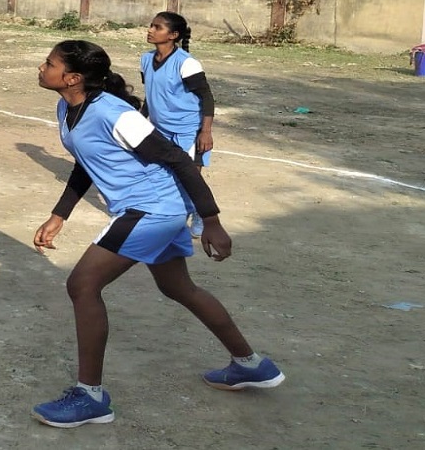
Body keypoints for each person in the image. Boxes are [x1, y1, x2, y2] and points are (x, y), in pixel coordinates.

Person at [30, 40, 283, 428]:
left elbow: (177, 159)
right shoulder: (67, 107)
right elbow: (86, 161)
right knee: (178, 287)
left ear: (73, 77)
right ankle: (251, 365)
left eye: (49, 63)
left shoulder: (114, 114)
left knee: (82, 285)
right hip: (151, 208)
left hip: (152, 209)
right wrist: (59, 214)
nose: (41, 67)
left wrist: (211, 220)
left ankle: (90, 397)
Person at [141, 12, 214, 237]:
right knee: (161, 176)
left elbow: (207, 98)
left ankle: (200, 213)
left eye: (158, 27)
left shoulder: (187, 63)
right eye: (151, 26)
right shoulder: (145, 59)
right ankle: (170, 217)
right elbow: (151, 93)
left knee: (190, 178)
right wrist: (140, 120)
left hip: (188, 130)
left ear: (173, 35)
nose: (150, 30)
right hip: (160, 129)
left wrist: (205, 132)